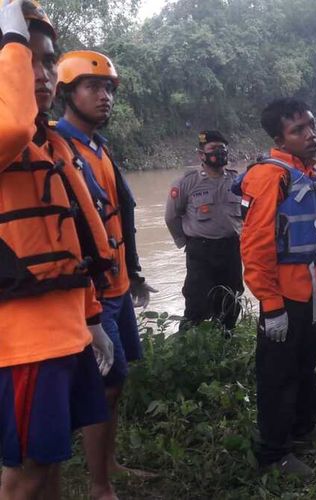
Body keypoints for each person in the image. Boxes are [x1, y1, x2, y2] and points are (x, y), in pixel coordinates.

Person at [0, 2, 116, 498]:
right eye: (29, 61)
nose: (43, 74)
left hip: (66, 333)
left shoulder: (51, 146)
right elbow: (10, 126)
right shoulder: (13, 138)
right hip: (23, 343)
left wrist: (90, 318)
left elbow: (69, 244)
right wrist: (11, 40)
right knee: (23, 478)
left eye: (48, 62)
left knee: (50, 465)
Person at [54, 49, 156, 487]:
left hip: (116, 285)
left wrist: (132, 271)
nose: (105, 96)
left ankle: (107, 466)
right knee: (104, 382)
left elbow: (118, 215)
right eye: (93, 87)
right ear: (66, 93)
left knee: (117, 380)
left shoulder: (98, 147)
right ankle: (100, 488)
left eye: (108, 89)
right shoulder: (55, 148)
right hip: (89, 295)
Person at [239, 98, 316, 477]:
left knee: (305, 365)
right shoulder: (269, 177)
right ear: (279, 139)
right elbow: (255, 246)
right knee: (277, 376)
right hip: (284, 299)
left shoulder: (313, 176)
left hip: (315, 295)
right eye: (298, 130)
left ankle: (304, 426)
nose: (311, 134)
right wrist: (271, 304)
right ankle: (273, 454)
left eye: (312, 125)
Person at [165, 130, 244, 332]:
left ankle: (225, 344)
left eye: (223, 149)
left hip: (231, 250)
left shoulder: (237, 182)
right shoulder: (186, 182)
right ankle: (188, 350)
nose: (219, 153)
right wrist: (186, 242)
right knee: (196, 304)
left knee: (230, 300)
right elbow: (172, 216)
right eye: (213, 149)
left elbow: (247, 214)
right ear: (201, 155)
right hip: (201, 252)